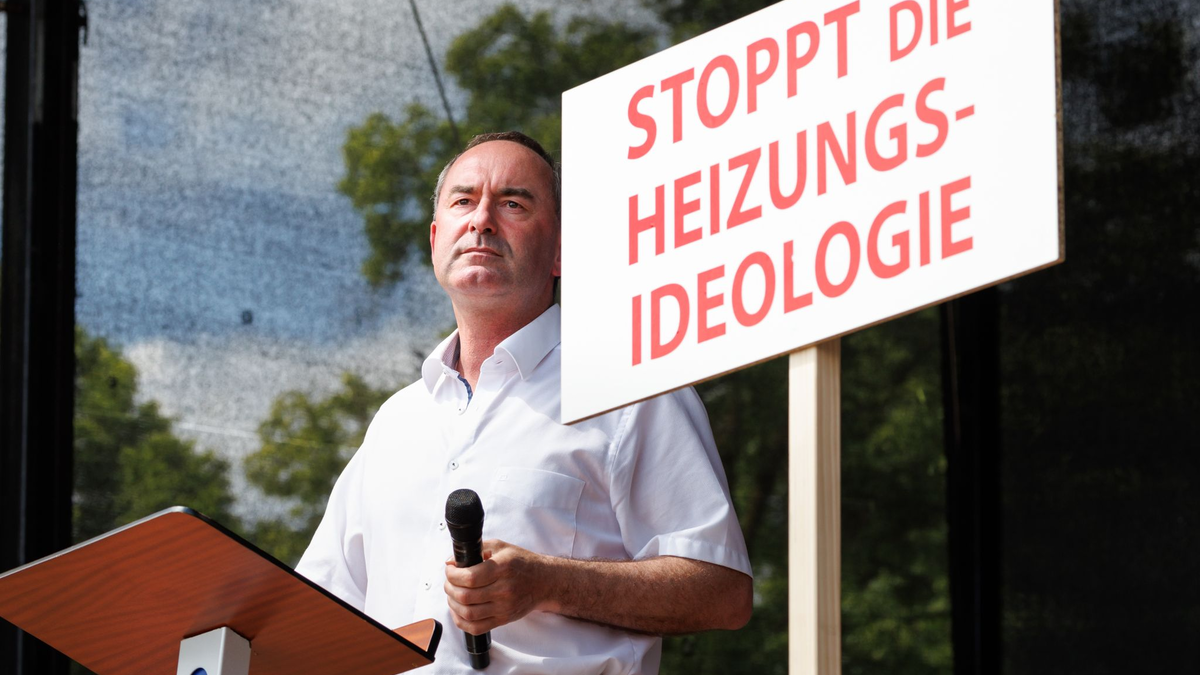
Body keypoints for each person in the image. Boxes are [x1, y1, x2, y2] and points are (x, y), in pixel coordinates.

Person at [296, 131, 752, 674]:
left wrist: (548, 583)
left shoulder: (626, 391)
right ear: (436, 239)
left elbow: (722, 591)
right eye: (463, 201)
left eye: (512, 203)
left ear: (560, 249)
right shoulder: (396, 422)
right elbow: (312, 612)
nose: (481, 220)